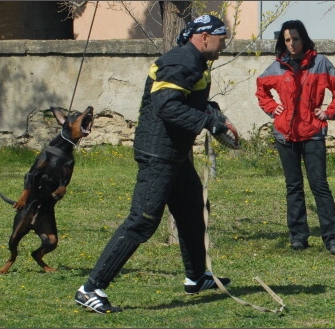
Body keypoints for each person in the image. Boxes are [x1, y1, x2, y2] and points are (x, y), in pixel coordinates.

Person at [74, 14, 231, 314]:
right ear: (205, 37)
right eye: (222, 39)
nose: (224, 45)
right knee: (142, 221)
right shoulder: (181, 61)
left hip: (174, 154)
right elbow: (168, 106)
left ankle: (197, 277)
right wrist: (209, 123)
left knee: (193, 209)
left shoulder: (193, 61)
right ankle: (91, 288)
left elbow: (187, 101)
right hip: (158, 154)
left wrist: (214, 114)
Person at [255, 20, 335, 255]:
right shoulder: (277, 67)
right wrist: (272, 108)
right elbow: (261, 89)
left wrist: (328, 112)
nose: (292, 44)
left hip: (313, 134)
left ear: (303, 39)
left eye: (295, 39)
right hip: (285, 136)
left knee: (319, 186)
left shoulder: (320, 63)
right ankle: (298, 236)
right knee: (293, 187)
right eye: (287, 40)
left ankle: (333, 239)